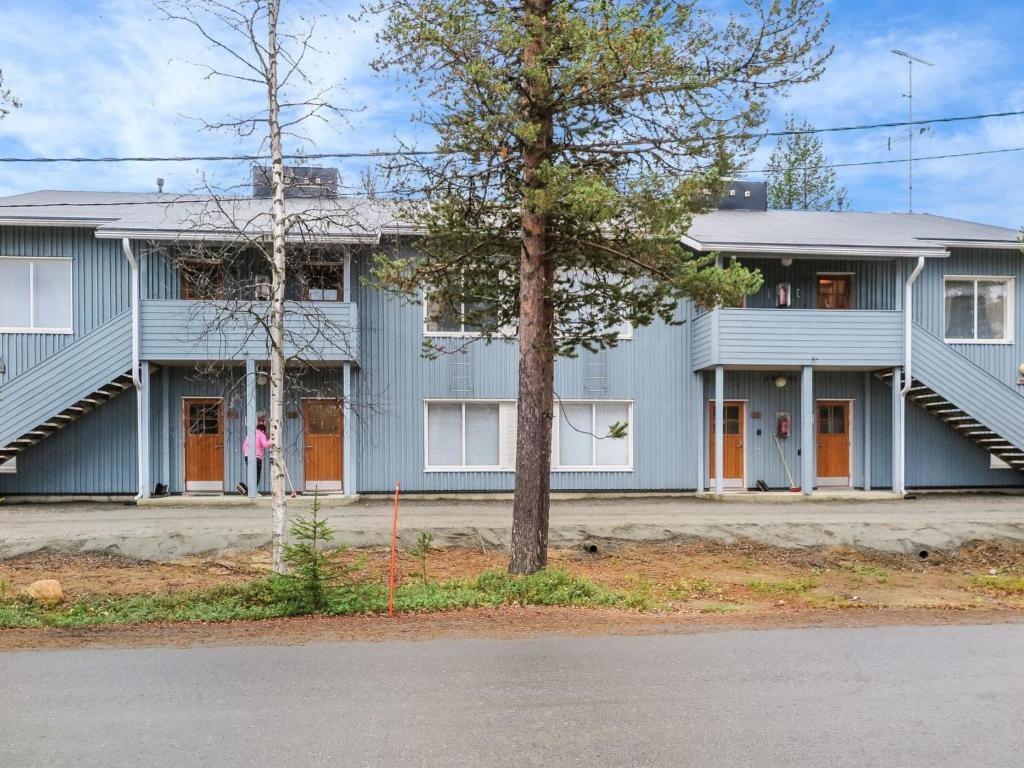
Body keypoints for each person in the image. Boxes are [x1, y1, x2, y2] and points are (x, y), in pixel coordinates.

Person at [237, 422, 270, 495]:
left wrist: (247, 454)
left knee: (252, 474)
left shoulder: (250, 434)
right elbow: (265, 444)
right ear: (263, 430)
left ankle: (249, 491)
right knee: (257, 475)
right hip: (257, 457)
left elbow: (244, 446)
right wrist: (272, 440)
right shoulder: (261, 434)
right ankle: (253, 491)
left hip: (247, 457)